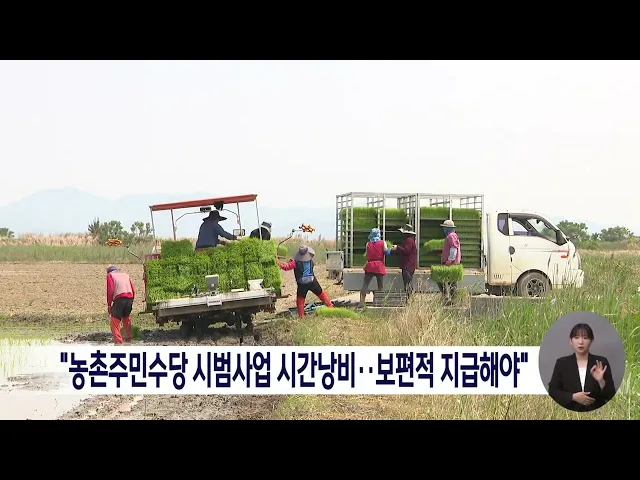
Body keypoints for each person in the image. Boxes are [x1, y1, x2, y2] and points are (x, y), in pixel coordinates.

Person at [547, 323, 616, 412]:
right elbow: (552, 390)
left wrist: (601, 381)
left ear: (591, 341)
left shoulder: (601, 362)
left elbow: (611, 395)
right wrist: (573, 397)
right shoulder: (562, 363)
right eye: (576, 337)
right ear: (571, 341)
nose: (580, 342)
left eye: (585, 338)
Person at [278, 245, 334, 317]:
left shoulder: (295, 262)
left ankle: (301, 316)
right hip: (312, 282)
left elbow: (286, 267)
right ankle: (331, 307)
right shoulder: (310, 261)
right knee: (321, 294)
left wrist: (279, 263)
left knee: (300, 300)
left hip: (302, 284)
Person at [359, 227, 391, 308]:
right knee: (380, 285)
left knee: (365, 284)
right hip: (379, 266)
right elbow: (387, 253)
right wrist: (390, 249)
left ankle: (362, 302)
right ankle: (381, 302)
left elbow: (367, 255)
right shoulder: (382, 243)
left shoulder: (368, 244)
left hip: (370, 265)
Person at [106, 265, 135, 345]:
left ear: (108, 271)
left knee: (115, 322)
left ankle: (118, 343)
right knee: (126, 319)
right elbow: (133, 290)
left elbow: (110, 290)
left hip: (119, 299)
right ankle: (128, 339)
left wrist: (109, 305)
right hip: (129, 298)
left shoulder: (110, 276)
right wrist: (131, 301)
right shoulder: (125, 275)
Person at [437, 219, 461, 304]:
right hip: (451, 262)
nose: (443, 229)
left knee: (441, 278)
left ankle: (449, 298)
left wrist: (450, 260)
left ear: (448, 228)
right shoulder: (452, 235)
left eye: (445, 228)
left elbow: (453, 248)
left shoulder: (451, 236)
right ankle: (450, 298)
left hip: (451, 263)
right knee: (450, 281)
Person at [391, 225, 417, 298]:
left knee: (407, 283)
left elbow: (406, 250)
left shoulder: (409, 240)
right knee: (408, 282)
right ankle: (410, 299)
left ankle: (410, 299)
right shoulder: (410, 240)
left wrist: (397, 247)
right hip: (409, 265)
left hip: (407, 265)